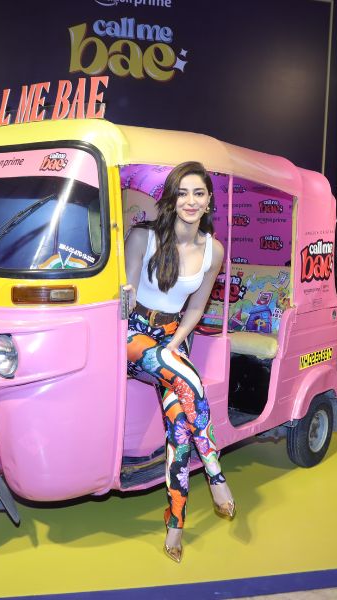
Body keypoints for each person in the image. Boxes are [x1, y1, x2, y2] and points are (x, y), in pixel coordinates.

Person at [124, 161, 235, 563]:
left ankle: (175, 522)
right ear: (171, 198)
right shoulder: (144, 236)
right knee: (190, 382)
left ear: (208, 200)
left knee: (181, 427)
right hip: (133, 336)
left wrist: (174, 343)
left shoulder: (213, 250)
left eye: (198, 193)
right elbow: (127, 299)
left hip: (173, 339)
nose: (190, 201)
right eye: (182, 192)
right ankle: (216, 476)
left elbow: (197, 307)